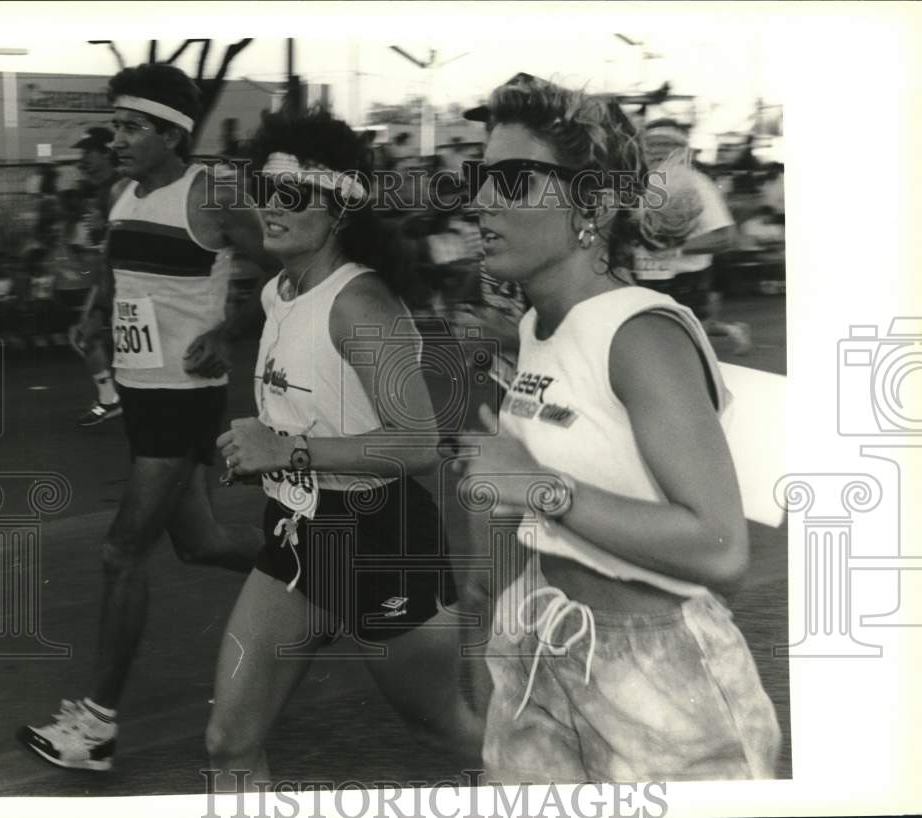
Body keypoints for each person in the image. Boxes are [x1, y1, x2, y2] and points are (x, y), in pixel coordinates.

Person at [461, 78, 780, 783]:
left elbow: (722, 548)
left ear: (593, 205)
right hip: (544, 645)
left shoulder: (640, 333)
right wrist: (496, 624)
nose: (482, 201)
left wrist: (540, 487)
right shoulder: (536, 325)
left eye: (513, 181)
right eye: (481, 177)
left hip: (662, 681)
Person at [204, 108, 483, 785]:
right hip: (298, 535)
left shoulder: (360, 305)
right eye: (264, 189)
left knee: (448, 732)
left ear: (339, 208)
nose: (271, 207)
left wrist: (287, 450)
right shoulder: (280, 290)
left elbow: (420, 441)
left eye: (292, 194)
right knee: (228, 740)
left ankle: (553, 781)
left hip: (381, 542)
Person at [20, 62, 271, 772]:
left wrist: (228, 332)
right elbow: (115, 262)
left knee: (120, 551)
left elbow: (285, 265)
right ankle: (322, 575)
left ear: (171, 132)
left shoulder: (212, 193)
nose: (118, 138)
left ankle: (96, 727)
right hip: (140, 391)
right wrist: (93, 313)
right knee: (201, 542)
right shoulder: (125, 192)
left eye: (132, 127)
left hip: (184, 396)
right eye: (118, 125)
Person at [633, 119, 752, 355]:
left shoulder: (697, 185)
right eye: (650, 145)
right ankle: (730, 330)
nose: (656, 151)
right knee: (654, 335)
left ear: (680, 150)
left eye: (664, 145)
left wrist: (676, 249)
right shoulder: (636, 184)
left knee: (679, 339)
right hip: (641, 274)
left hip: (686, 277)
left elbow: (725, 236)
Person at [69, 126, 125, 426]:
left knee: (86, 336)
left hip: (121, 278)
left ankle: (111, 399)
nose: (83, 160)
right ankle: (110, 398)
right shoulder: (107, 190)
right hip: (112, 277)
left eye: (89, 152)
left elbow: (119, 241)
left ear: (106, 153)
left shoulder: (119, 188)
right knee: (86, 336)